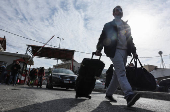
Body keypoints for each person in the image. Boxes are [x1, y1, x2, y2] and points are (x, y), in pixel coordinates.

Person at [95, 6, 140, 107]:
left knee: (117, 75)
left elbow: (130, 40)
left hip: (125, 52)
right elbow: (102, 37)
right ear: (113, 13)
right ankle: (129, 95)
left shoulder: (126, 25)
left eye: (120, 10)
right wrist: (98, 49)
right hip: (114, 51)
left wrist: (134, 51)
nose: (119, 12)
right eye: (117, 10)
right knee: (121, 72)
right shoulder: (108, 25)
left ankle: (109, 94)